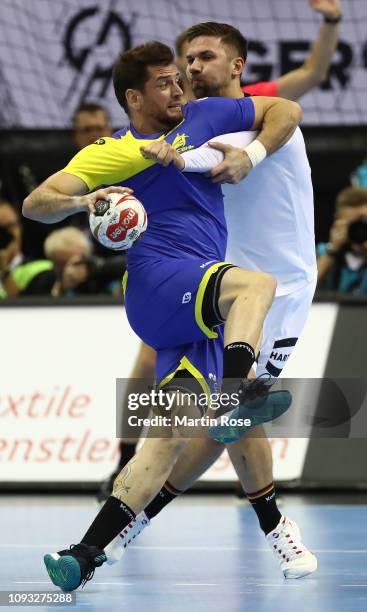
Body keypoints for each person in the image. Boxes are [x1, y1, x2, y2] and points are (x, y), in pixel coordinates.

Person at [23, 39, 301, 590]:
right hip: (159, 280)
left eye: (180, 78)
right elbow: (38, 202)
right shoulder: (114, 149)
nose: (179, 89)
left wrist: (253, 153)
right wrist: (84, 203)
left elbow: (285, 110)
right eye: (164, 83)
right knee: (257, 286)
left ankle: (82, 555)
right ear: (134, 96)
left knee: (166, 436)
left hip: (194, 294)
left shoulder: (204, 115)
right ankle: (235, 393)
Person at [105, 22, 317, 579]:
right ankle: (274, 528)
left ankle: (142, 514)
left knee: (225, 422)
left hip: (285, 290)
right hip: (226, 288)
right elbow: (194, 159)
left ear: (238, 66)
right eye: (186, 60)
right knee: (216, 413)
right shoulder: (189, 129)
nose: (193, 69)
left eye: (205, 58)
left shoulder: (264, 117)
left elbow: (286, 112)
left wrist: (249, 158)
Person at [175, 0, 342, 101]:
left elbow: (312, 73)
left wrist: (331, 20)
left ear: (237, 66)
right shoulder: (167, 112)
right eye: (190, 58)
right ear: (178, 63)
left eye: (207, 56)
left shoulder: (255, 101)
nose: (196, 65)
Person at [44, 227, 126, 296]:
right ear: (57, 265)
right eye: (66, 263)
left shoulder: (101, 272)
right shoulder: (47, 280)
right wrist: (62, 288)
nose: (76, 268)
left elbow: (129, 266)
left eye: (83, 259)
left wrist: (97, 268)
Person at [0, 200, 54, 297]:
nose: (6, 234)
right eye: (1, 229)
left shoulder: (42, 269)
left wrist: (4, 272)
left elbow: (27, 310)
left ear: (20, 227)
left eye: (11, 226)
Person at [317, 187, 367, 292]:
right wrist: (332, 251)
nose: (359, 230)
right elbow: (303, 291)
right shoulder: (323, 252)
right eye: (352, 224)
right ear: (338, 220)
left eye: (363, 223)